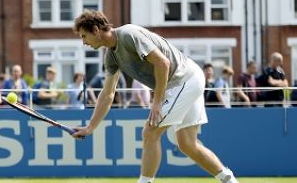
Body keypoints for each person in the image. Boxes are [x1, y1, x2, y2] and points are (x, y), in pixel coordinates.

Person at [71, 10, 239, 183]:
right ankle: (229, 179)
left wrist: (157, 103)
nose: (84, 42)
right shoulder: (111, 57)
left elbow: (162, 63)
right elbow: (108, 94)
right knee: (187, 144)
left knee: (150, 132)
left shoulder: (128, 34)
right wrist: (90, 128)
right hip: (187, 80)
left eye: (84, 36)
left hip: (184, 80)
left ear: (96, 30)